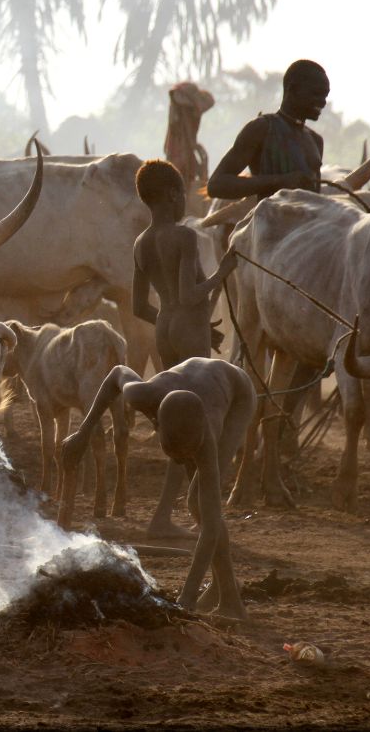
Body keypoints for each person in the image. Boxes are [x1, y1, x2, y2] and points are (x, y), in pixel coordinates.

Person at [58, 358, 253, 620]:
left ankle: (230, 599)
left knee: (199, 503)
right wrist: (83, 432)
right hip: (198, 384)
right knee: (200, 504)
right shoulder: (140, 393)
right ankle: (225, 589)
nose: (183, 462)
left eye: (189, 453)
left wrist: (187, 597)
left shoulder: (209, 433)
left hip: (238, 392)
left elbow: (209, 526)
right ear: (157, 426)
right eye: (176, 454)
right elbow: (116, 373)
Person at [128, 159, 237, 537]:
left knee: (177, 419)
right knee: (195, 422)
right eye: (184, 196)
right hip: (187, 327)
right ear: (174, 195)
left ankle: (190, 512)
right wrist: (222, 273)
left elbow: (138, 307)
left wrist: (181, 320)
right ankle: (177, 515)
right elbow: (191, 293)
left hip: (165, 328)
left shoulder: (141, 243)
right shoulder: (185, 236)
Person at [206, 59, 329, 200]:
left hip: (311, 222)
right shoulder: (262, 128)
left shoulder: (316, 140)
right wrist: (280, 181)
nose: (323, 102)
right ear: (293, 89)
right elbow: (216, 185)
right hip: (270, 220)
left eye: (325, 96)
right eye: (316, 94)